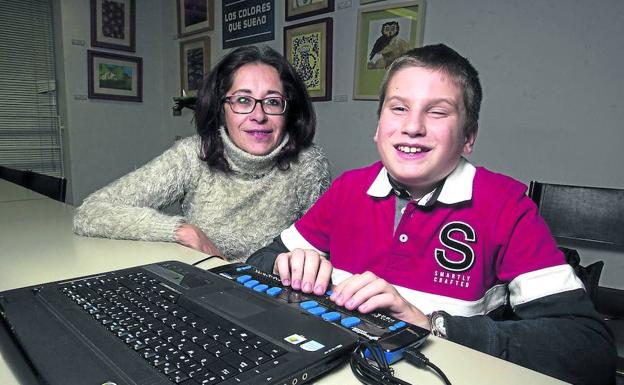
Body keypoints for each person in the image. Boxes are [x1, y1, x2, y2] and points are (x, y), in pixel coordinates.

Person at [247, 44, 616, 384]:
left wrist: (431, 325)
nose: (412, 126)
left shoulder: (505, 204)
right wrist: (287, 264)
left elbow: (589, 350)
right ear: (378, 128)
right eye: (399, 108)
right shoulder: (347, 189)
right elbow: (257, 262)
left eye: (437, 112)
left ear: (468, 137)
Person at [74, 45, 330, 262]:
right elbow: (91, 212)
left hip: (273, 298)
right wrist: (180, 230)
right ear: (222, 107)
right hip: (204, 286)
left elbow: (326, 250)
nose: (259, 115)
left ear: (288, 110)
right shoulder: (193, 155)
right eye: (243, 100)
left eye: (272, 101)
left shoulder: (307, 164)